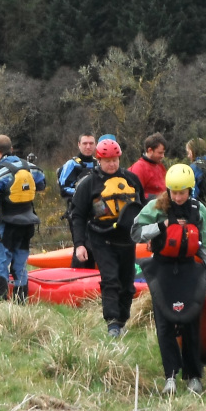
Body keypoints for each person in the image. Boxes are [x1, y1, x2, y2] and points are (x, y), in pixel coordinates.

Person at [132, 164, 206, 395]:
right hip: (161, 268)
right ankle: (170, 376)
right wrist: (162, 225)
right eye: (174, 192)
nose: (178, 197)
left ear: (190, 190)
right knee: (164, 325)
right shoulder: (156, 207)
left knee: (191, 320)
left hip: (189, 269)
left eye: (183, 192)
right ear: (168, 190)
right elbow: (135, 233)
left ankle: (194, 376)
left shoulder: (197, 210)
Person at [69, 138, 145, 337]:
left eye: (115, 160)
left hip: (127, 239)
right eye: (107, 160)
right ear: (99, 160)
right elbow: (77, 215)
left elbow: (143, 209)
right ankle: (112, 323)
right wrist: (79, 245)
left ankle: (122, 320)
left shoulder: (131, 179)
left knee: (128, 284)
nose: (112, 164)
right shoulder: (88, 184)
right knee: (110, 280)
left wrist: (149, 235)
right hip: (101, 238)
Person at [0, 135, 47, 301]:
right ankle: (21, 302)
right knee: (20, 265)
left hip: (8, 224)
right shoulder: (30, 167)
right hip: (28, 224)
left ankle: (1, 302)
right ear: (11, 149)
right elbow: (42, 183)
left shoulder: (1, 171)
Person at [57, 133, 97, 268]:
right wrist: (84, 195)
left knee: (94, 247)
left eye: (91, 143)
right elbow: (63, 189)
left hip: (96, 213)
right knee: (81, 246)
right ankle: (77, 278)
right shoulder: (71, 164)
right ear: (79, 145)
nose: (88, 146)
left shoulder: (98, 163)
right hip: (77, 212)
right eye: (85, 143)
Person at [129, 132, 168, 200]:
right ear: (150, 150)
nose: (163, 156)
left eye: (163, 153)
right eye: (160, 153)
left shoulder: (160, 166)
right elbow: (137, 195)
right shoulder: (139, 168)